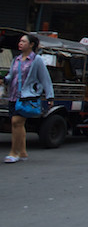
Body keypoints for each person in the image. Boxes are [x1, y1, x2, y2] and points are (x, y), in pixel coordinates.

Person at [3, 34, 54, 163]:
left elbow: (45, 79)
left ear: (31, 45)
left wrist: (50, 96)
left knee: (16, 122)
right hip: (13, 96)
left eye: (24, 41)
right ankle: (23, 152)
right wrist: (4, 80)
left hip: (27, 96)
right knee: (19, 125)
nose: (20, 43)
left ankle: (14, 152)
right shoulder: (16, 59)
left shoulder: (37, 60)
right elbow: (11, 76)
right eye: (20, 41)